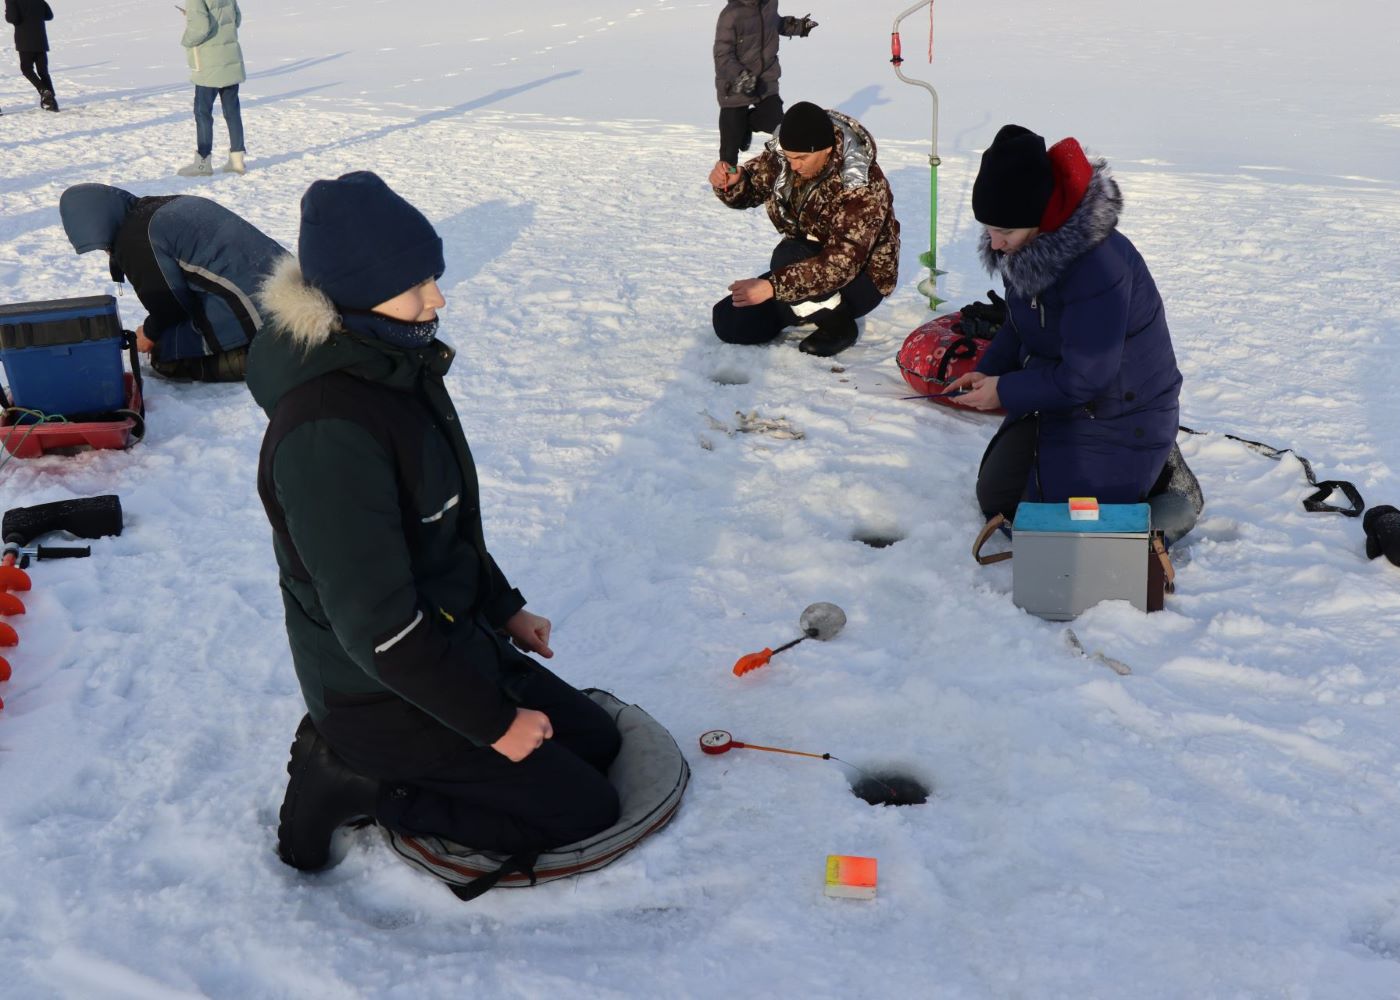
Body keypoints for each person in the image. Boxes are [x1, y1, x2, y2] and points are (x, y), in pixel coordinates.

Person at [249, 172, 621, 872]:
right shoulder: (329, 434)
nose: (437, 297)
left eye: (433, 276)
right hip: (380, 692)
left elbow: (442, 526)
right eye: (415, 282)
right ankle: (358, 781)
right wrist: (494, 724)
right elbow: (378, 627)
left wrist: (502, 607)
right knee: (582, 809)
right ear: (355, 292)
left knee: (598, 744)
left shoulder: (393, 362)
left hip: (450, 640)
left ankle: (461, 726)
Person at [952, 125, 1199, 545]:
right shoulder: (1025, 246)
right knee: (999, 500)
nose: (994, 245)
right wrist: (989, 371)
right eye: (989, 230)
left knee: (1069, 532)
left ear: (1039, 219)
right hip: (1064, 399)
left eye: (1003, 233)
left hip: (1121, 408)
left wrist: (1005, 391)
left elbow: (1089, 377)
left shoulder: (1097, 266)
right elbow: (1019, 321)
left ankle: (1170, 485)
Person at [708, 101, 899, 356]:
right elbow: (753, 187)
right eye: (788, 156)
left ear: (827, 149)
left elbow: (842, 263)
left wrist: (774, 287)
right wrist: (733, 183)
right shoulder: (786, 158)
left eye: (801, 158)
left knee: (786, 254)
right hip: (806, 261)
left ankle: (838, 324)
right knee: (730, 321)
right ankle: (806, 306)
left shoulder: (861, 185)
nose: (794, 164)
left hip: (861, 279)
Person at [58, 183, 285, 381]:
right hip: (287, 289)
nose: (106, 251)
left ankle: (262, 359)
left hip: (256, 307)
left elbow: (170, 308)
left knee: (166, 354)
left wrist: (148, 334)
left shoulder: (136, 239)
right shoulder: (162, 206)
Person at [712, 1, 816, 170]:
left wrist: (799, 26)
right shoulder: (731, 15)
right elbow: (722, 55)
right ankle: (727, 182)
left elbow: (775, 23)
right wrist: (740, 75)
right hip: (736, 84)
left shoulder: (770, 3)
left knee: (777, 124)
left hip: (766, 78)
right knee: (729, 150)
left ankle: (747, 123)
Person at [178, 0, 247, 176]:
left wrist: (186, 40)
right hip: (229, 58)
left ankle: (203, 162)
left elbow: (200, 28)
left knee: (203, 113)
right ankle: (237, 160)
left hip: (209, 63)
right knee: (232, 111)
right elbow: (236, 19)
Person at [5, 0, 58, 111]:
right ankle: (52, 104)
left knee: (26, 69)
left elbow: (13, 18)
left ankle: (43, 91)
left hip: (25, 41)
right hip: (41, 39)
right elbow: (49, 15)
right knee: (43, 72)